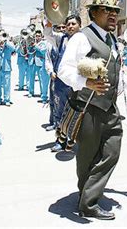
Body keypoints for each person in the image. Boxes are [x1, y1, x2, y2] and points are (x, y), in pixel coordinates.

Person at [58, 0, 127, 220]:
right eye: (108, 10)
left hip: (109, 107)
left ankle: (88, 196)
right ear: (94, 13)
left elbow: (116, 70)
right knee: (87, 157)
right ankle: (87, 203)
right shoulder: (82, 37)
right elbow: (63, 70)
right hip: (88, 107)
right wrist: (85, 82)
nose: (113, 15)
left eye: (116, 11)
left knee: (112, 150)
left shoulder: (111, 39)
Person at [44, 15, 82, 151]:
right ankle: (60, 141)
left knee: (77, 112)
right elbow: (47, 34)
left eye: (73, 24)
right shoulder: (61, 39)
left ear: (79, 26)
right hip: (61, 82)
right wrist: (49, 18)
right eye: (68, 24)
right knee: (60, 112)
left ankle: (75, 139)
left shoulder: (84, 40)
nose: (70, 26)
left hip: (78, 82)